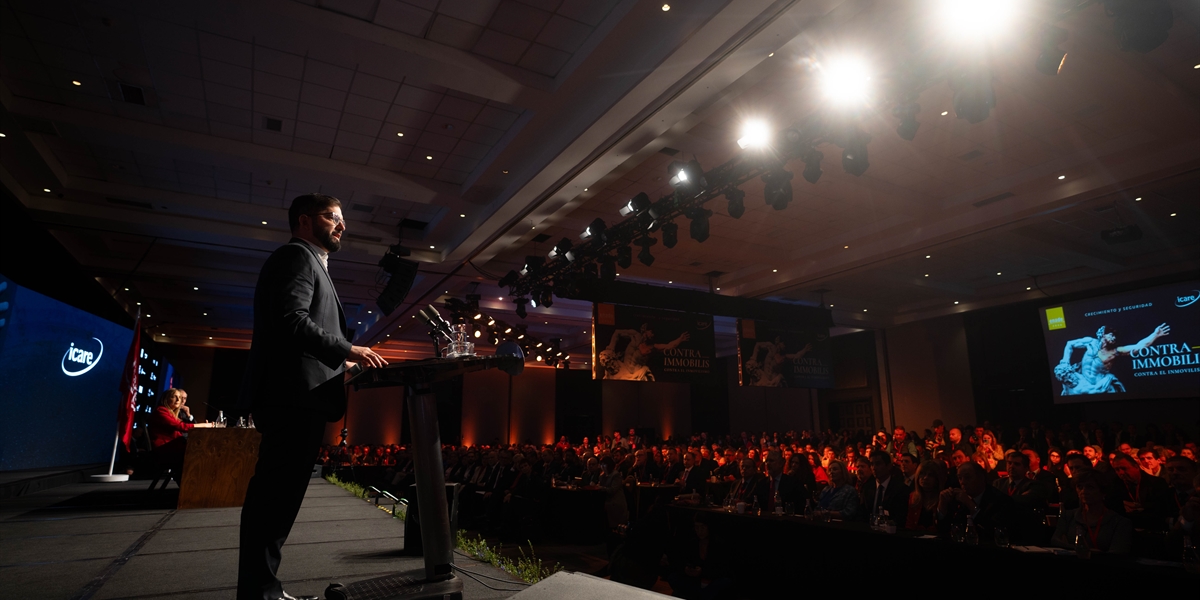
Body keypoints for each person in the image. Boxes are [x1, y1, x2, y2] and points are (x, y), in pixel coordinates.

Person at [237, 193, 387, 600]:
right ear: (304, 221)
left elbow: (298, 335)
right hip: (291, 398)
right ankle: (260, 593)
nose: (341, 225)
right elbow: (292, 321)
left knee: (278, 500)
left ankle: (262, 589)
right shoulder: (296, 257)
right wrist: (347, 349)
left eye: (342, 219)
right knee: (274, 500)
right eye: (331, 217)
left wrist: (345, 368)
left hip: (298, 396)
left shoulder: (310, 261)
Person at [1054, 323, 1169, 395]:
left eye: (1115, 336)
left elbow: (1138, 346)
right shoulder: (1090, 342)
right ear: (1102, 334)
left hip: (1099, 387)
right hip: (1082, 383)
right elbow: (1069, 344)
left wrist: (1155, 335)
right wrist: (1065, 361)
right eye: (1111, 334)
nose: (1113, 337)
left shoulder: (1115, 352)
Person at [1051, 471, 1133, 554]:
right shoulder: (1068, 516)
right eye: (1080, 487)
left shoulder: (1119, 522)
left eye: (1090, 487)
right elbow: (1055, 541)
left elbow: (1117, 553)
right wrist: (1086, 550)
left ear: (1103, 491)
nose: (1084, 491)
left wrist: (1071, 547)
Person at [937, 462, 1015, 540]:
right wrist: (942, 506)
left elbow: (996, 532)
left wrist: (970, 505)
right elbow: (944, 530)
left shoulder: (999, 499)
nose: (962, 482)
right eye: (960, 478)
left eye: (967, 477)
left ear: (981, 477)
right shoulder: (957, 498)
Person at [149, 388, 214, 478]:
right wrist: (205, 426)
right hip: (165, 449)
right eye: (174, 397)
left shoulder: (172, 413)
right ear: (166, 399)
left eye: (179, 397)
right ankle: (192, 485)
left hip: (174, 447)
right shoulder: (161, 410)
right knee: (200, 454)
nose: (178, 400)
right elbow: (182, 427)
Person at [1110, 453, 1172, 531]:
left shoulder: (1156, 483)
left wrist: (1136, 506)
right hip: (1127, 528)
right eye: (1117, 470)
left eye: (1124, 468)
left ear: (1136, 466)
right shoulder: (1114, 484)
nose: (1121, 472)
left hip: (1152, 528)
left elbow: (1161, 508)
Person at [859, 451, 910, 524]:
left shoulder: (900, 489)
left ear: (889, 466)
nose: (874, 468)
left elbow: (900, 517)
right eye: (872, 464)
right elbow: (862, 513)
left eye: (878, 464)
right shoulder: (867, 487)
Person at [906, 461, 946, 531]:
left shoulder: (943, 498)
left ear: (937, 479)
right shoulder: (913, 497)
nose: (925, 478)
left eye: (930, 475)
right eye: (922, 474)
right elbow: (909, 524)